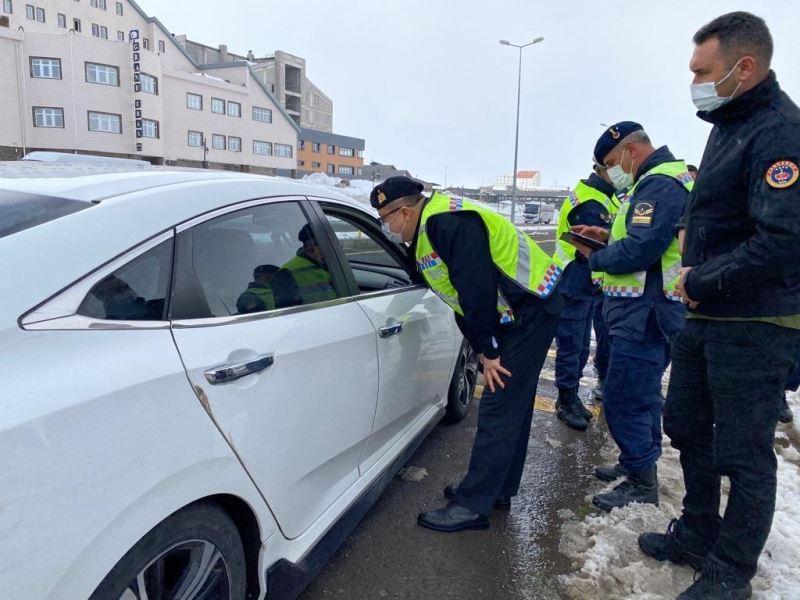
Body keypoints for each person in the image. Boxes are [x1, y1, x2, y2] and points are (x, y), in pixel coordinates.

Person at [638, 13, 800, 599]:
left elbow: (781, 241)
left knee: (744, 451)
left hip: (756, 322)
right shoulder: (727, 124)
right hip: (709, 313)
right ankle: (699, 532)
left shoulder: (780, 132)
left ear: (745, 67)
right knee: (684, 424)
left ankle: (731, 570)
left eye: (703, 72)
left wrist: (702, 278)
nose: (695, 84)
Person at [369, 176, 562, 532]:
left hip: (529, 310)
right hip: (517, 312)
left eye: (385, 219)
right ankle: (496, 489)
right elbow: (458, 298)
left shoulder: (446, 223)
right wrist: (480, 343)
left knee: (498, 406)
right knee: (511, 405)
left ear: (405, 212)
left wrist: (488, 351)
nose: (386, 227)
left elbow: (476, 290)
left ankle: (473, 506)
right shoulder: (428, 230)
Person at [568, 121, 691, 510]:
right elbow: (649, 238)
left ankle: (641, 479)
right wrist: (604, 236)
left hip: (645, 311)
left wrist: (596, 256)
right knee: (641, 392)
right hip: (645, 308)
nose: (610, 171)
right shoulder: (659, 181)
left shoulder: (658, 185)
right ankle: (638, 462)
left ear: (630, 152)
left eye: (611, 162)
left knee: (625, 394)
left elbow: (643, 248)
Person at [552, 165, 614, 430]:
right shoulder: (590, 201)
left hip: (585, 284)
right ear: (605, 169)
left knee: (580, 347)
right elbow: (597, 246)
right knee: (571, 345)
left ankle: (572, 396)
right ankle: (565, 400)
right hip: (573, 281)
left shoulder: (600, 195)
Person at [272, 224, 337, 308]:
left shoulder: (333, 263)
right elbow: (288, 314)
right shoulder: (286, 274)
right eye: (325, 243)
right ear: (309, 248)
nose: (333, 247)